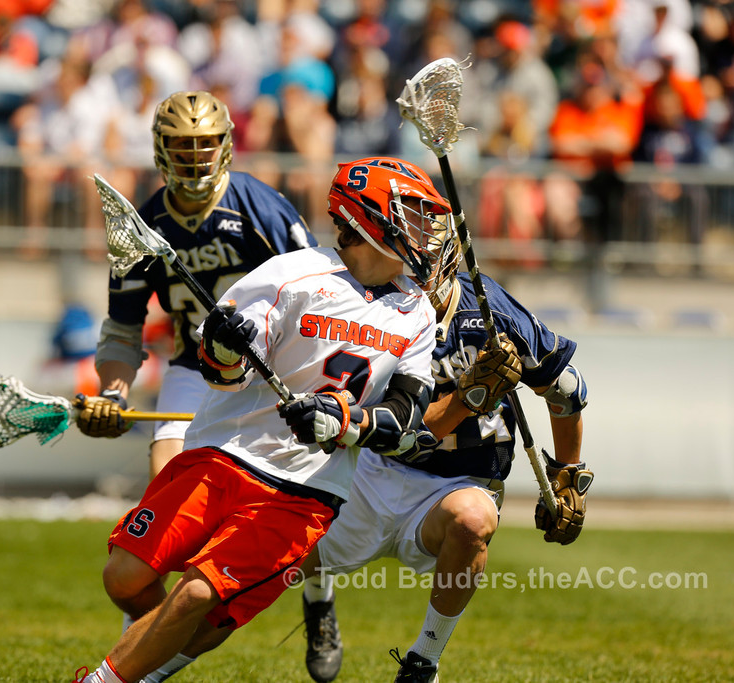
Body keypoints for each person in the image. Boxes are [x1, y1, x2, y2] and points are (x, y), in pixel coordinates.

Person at [73, 156, 454, 683]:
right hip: (223, 452)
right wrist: (226, 348)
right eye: (412, 216)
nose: (425, 233)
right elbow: (221, 374)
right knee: (125, 578)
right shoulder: (292, 273)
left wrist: (345, 422)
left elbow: (406, 414)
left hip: (305, 490)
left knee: (202, 594)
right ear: (369, 220)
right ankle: (151, 658)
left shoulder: (418, 313)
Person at [297, 233, 592, 682]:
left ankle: (423, 662)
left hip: (463, 481)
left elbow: (566, 388)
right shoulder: (368, 308)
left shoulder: (488, 308)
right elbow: (401, 429)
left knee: (473, 521)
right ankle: (319, 604)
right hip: (378, 466)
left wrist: (567, 472)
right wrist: (468, 396)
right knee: (296, 546)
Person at [76, 89, 316, 479]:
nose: (196, 156)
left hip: (271, 368)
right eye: (182, 146)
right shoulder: (143, 229)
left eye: (206, 144)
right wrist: (112, 394)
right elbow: (123, 327)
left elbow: (316, 291)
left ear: (225, 144)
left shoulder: (258, 206)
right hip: (195, 366)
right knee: (168, 471)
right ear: (160, 148)